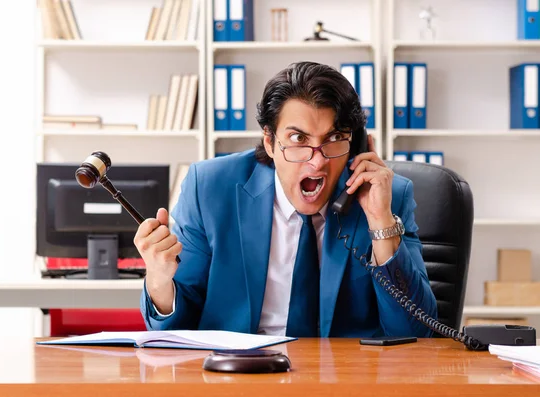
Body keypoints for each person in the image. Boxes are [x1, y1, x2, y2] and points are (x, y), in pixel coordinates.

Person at [136, 61, 438, 338]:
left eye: (333, 139)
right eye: (298, 139)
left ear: (357, 144)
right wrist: (160, 282)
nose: (317, 163)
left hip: (345, 379)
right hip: (239, 375)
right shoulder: (211, 188)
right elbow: (177, 330)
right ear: (270, 142)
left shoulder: (388, 198)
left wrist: (380, 222)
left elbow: (416, 333)